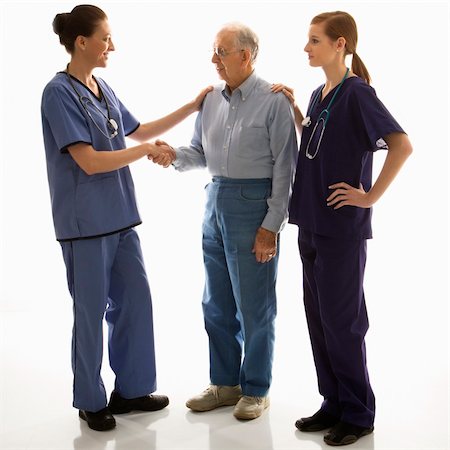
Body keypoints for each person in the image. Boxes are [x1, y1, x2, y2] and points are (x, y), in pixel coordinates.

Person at [41, 4, 211, 432]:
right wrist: (145, 151)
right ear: (82, 42)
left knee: (136, 301)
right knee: (90, 311)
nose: (111, 46)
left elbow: (140, 128)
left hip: (120, 219)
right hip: (85, 225)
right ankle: (90, 399)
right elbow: (90, 162)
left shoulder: (102, 87)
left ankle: (132, 390)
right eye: (105, 38)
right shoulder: (58, 92)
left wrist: (193, 106)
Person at [272, 11, 413, 446]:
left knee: (344, 322)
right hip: (311, 222)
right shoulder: (320, 94)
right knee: (319, 320)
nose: (306, 48)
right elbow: (317, 140)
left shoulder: (357, 93)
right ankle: (332, 402)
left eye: (314, 40)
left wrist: (368, 197)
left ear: (340, 44)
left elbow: (401, 144)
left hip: (341, 229)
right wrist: (296, 110)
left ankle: (358, 413)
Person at [153, 23, 297, 420]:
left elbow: (286, 170)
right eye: (214, 51)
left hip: (254, 206)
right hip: (214, 201)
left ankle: (256, 389)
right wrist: (174, 155)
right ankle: (226, 383)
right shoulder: (212, 99)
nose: (213, 59)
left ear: (245, 56)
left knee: (255, 306)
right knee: (215, 303)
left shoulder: (274, 101)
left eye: (220, 51)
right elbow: (200, 152)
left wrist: (272, 225)